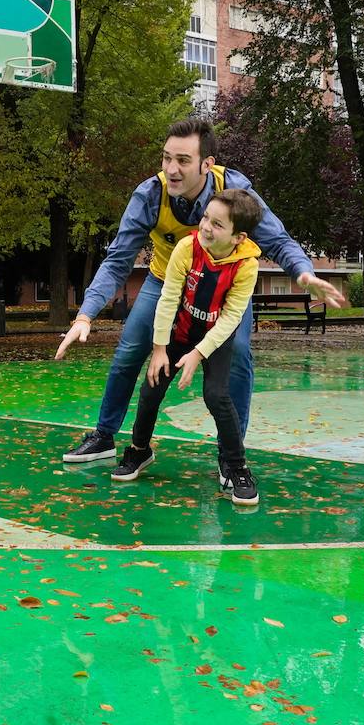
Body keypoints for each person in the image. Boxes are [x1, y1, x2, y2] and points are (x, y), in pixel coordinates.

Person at [55, 117, 346, 470]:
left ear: (207, 164)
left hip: (222, 291)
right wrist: (86, 314)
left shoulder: (235, 190)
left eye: (182, 161)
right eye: (166, 159)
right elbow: (118, 259)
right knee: (130, 348)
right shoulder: (150, 194)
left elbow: (277, 240)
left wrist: (303, 273)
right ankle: (104, 435)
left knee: (237, 354)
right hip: (166, 282)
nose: (171, 170)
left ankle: (231, 455)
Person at [111, 189, 261, 505]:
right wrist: (159, 348)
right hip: (179, 332)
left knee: (217, 395)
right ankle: (139, 450)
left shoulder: (247, 265)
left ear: (238, 236)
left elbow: (232, 316)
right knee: (151, 387)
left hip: (215, 339)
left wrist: (199, 353)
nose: (206, 227)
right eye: (206, 217)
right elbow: (168, 298)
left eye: (218, 225)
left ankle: (237, 467)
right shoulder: (186, 247)